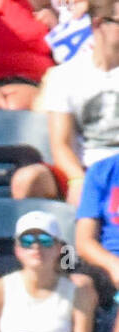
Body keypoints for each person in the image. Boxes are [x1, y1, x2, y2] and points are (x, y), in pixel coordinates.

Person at [16, 0, 119, 204]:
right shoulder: (66, 76)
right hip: (83, 168)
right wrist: (78, 179)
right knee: (27, 179)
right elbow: (60, 145)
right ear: (98, 25)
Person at [0, 210, 96, 332]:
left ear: (58, 248)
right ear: (17, 250)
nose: (36, 246)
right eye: (27, 241)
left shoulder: (79, 292)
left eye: (45, 240)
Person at [74, 148, 119, 331]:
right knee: (67, 264)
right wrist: (114, 265)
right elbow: (84, 242)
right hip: (107, 267)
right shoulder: (102, 170)